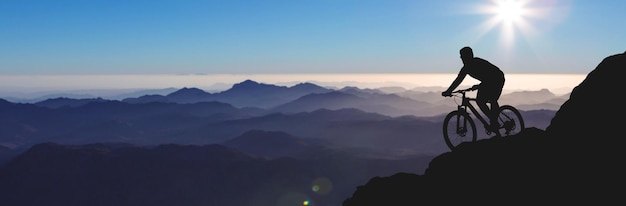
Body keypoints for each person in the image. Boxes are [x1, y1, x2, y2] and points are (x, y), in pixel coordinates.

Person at [442, 46, 505, 133]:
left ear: (468, 56)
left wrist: (479, 86)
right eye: (461, 56)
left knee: (489, 100)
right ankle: (493, 120)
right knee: (482, 101)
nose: (461, 58)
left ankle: (494, 121)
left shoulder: (477, 62)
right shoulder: (465, 68)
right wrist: (449, 91)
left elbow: (489, 76)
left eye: (462, 56)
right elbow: (458, 80)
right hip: (488, 81)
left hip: (497, 78)